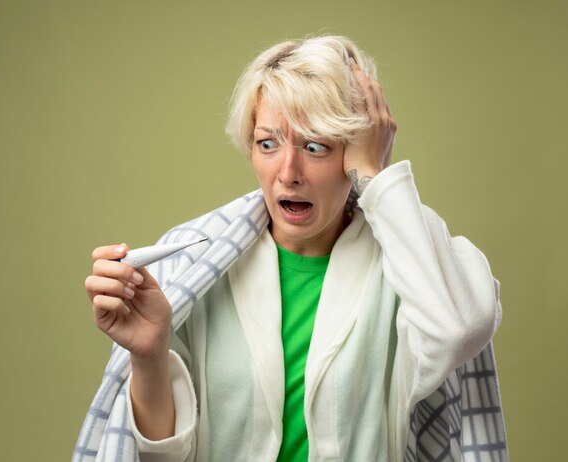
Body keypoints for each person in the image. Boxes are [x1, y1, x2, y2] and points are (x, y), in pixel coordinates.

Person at [75, 35, 507, 461]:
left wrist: (375, 176)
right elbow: (162, 457)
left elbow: (460, 328)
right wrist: (149, 355)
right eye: (268, 143)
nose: (288, 172)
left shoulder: (408, 264)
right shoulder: (191, 264)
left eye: (316, 146)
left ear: (355, 151)